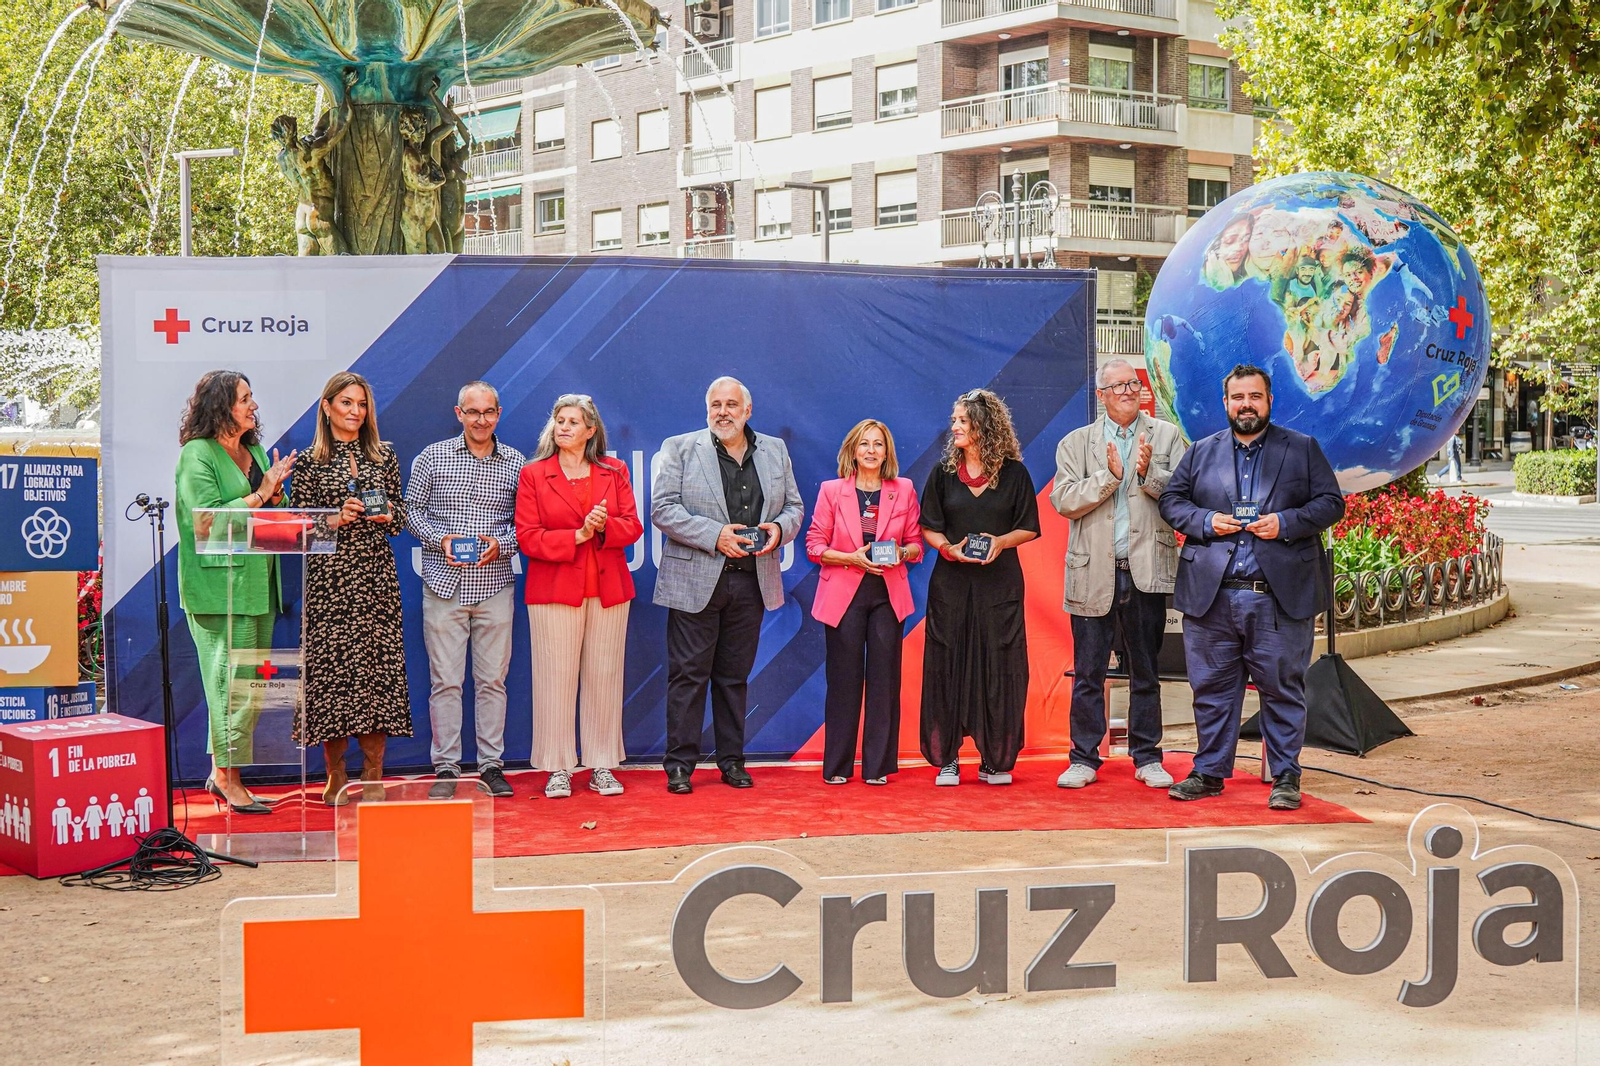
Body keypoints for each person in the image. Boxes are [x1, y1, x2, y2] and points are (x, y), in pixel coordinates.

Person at [1158, 364, 1345, 810]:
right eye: (1238, 397)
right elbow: (1171, 501)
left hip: (1277, 597)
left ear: (1269, 401)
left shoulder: (1300, 449)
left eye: (1254, 397)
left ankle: (1285, 777)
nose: (1246, 405)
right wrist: (1205, 521)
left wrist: (1285, 523)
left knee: (1283, 690)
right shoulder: (1202, 451)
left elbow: (1330, 503)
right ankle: (1209, 772)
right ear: (1225, 403)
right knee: (1212, 691)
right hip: (1213, 597)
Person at [652, 376, 804, 794]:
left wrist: (777, 529)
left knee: (734, 678)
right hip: (695, 580)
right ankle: (679, 766)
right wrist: (714, 534)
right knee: (688, 676)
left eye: (732, 404)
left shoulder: (774, 450)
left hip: (751, 583)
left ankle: (732, 761)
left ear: (747, 410)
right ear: (707, 410)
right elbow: (663, 509)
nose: (723, 411)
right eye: (716, 404)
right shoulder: (680, 447)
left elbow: (794, 507)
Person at [1049, 359, 1186, 790]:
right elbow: (1064, 501)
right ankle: (1083, 758)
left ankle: (1148, 757)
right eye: (1118, 385)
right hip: (1093, 573)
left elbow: (1184, 495)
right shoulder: (1076, 443)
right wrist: (1108, 478)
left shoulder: (1165, 436)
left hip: (1145, 571)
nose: (1128, 390)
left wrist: (1150, 474)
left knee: (1145, 671)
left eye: (1134, 383)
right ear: (1101, 395)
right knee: (1089, 672)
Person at [173, 370, 295, 814]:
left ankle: (223, 773)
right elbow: (204, 521)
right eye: (245, 398)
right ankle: (228, 776)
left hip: (261, 585)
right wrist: (261, 496)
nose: (254, 406)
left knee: (253, 685)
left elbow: (266, 514)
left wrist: (276, 493)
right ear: (222, 405)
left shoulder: (255, 449)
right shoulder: (196, 455)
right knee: (231, 685)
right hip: (219, 589)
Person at [290, 372, 412, 806]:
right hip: (330, 582)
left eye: (361, 404)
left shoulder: (385, 456)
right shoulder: (307, 462)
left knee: (377, 674)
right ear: (327, 407)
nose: (355, 412)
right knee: (332, 678)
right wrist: (333, 520)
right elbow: (293, 530)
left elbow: (403, 517)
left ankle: (374, 772)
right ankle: (336, 774)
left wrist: (387, 516)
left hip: (376, 578)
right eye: (346, 403)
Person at [516, 394, 643, 799]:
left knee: (604, 678)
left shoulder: (615, 470)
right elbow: (527, 537)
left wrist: (604, 529)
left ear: (591, 431)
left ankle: (601, 764)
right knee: (555, 679)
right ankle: (558, 767)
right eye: (559, 420)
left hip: (608, 590)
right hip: (553, 592)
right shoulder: (534, 474)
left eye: (573, 421)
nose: (564, 427)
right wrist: (578, 535)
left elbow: (633, 526)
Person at [404, 381, 525, 800]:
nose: (481, 420)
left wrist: (502, 545)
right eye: (472, 412)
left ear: (498, 412)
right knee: (446, 682)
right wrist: (442, 541)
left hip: (495, 585)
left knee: (493, 681)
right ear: (459, 414)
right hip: (443, 584)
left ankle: (492, 765)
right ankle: (447, 767)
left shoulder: (515, 463)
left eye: (488, 412)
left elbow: (524, 522)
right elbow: (410, 513)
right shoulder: (432, 457)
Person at [918, 389, 1040, 786]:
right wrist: (949, 549)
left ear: (982, 426)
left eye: (962, 421)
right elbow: (929, 527)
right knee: (947, 665)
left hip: (1000, 587)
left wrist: (1001, 542)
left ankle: (994, 760)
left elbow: (1028, 526)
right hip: (950, 586)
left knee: (1000, 667)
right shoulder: (943, 474)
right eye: (954, 420)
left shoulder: (1015, 473)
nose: (953, 426)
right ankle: (948, 758)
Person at [805, 420, 925, 785]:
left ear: (887, 452)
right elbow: (814, 546)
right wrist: (850, 558)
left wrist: (902, 551)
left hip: (888, 596)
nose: (871, 451)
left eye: (878, 445)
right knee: (843, 681)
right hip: (844, 596)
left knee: (884, 681)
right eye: (864, 444)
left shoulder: (903, 489)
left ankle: (877, 767)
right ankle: (838, 766)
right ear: (852, 451)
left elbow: (917, 545)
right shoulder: (831, 491)